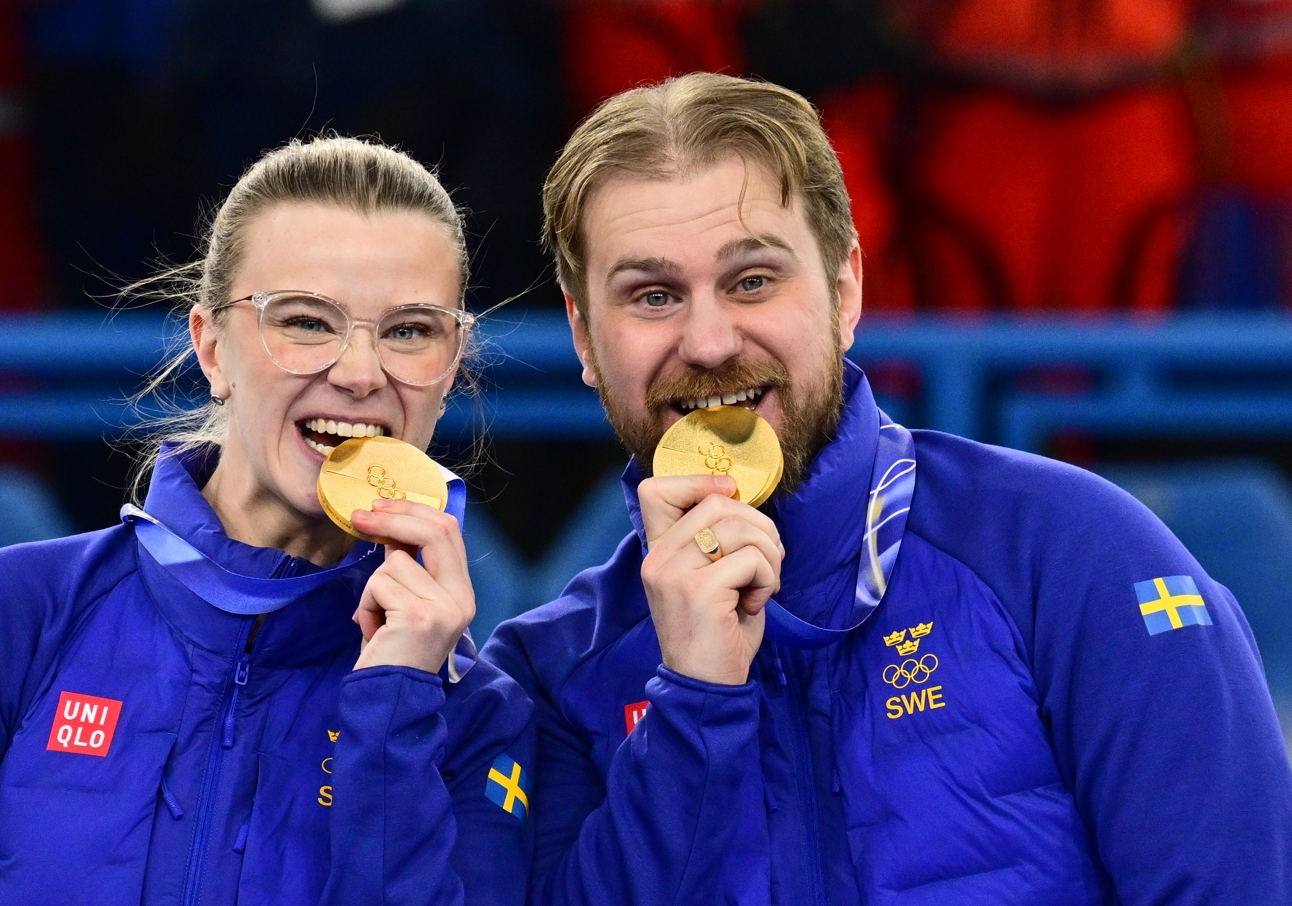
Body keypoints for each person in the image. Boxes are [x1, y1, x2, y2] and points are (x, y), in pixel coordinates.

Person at [482, 73, 1292, 905]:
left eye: (752, 281)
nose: (711, 342)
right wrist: (693, 701)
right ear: (585, 338)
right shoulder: (551, 678)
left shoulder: (1070, 553)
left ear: (845, 291)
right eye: (653, 297)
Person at [0, 136, 534, 906]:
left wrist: (397, 701)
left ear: (450, 369)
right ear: (211, 347)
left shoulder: (478, 716)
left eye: (409, 331)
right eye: (306, 321)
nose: (359, 373)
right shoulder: (4, 615)